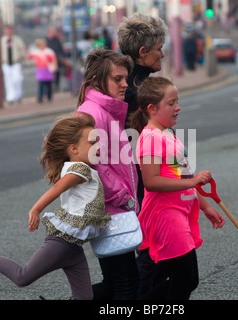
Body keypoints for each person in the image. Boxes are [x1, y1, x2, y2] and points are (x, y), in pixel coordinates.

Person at [0, 112, 111, 300]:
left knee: (84, 298)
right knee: (22, 277)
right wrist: (36, 209)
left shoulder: (84, 168)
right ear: (73, 148)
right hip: (63, 243)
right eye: (93, 143)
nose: (98, 146)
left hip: (74, 247)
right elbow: (57, 188)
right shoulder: (80, 170)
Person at [130, 76, 225, 299]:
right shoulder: (151, 138)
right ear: (152, 109)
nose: (178, 107)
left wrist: (205, 206)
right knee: (185, 280)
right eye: (171, 103)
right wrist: (192, 182)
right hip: (166, 216)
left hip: (179, 213)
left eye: (177, 101)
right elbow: (151, 181)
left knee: (184, 280)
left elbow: (183, 174)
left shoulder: (167, 135)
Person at [77, 49, 140, 300]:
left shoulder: (104, 110)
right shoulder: (92, 113)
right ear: (96, 81)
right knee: (126, 283)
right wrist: (124, 196)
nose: (125, 84)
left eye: (126, 78)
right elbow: (94, 163)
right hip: (111, 207)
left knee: (116, 282)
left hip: (114, 206)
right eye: (118, 79)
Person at [117, 13, 168, 297]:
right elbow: (154, 145)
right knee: (150, 261)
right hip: (145, 182)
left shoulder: (122, 82)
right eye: (159, 48)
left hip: (132, 181)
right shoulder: (140, 91)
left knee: (140, 264)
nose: (163, 53)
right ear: (142, 52)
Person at [27, 39, 57, 103]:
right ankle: (40, 97)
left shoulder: (49, 51)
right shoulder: (36, 52)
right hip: (40, 70)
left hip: (48, 69)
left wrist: (55, 66)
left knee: (48, 84)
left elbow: (54, 59)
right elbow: (29, 56)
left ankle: (49, 96)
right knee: (41, 83)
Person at [1, 25, 25, 104]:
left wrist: (21, 57)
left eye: (9, 30)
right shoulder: (2, 40)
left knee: (17, 79)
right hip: (6, 63)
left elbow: (22, 49)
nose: (8, 32)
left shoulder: (16, 39)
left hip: (16, 62)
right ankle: (10, 97)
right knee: (8, 80)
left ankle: (18, 95)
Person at [46, 27, 66, 91]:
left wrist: (63, 57)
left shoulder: (57, 40)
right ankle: (49, 87)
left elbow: (60, 49)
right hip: (48, 60)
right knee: (48, 74)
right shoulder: (46, 40)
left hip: (56, 59)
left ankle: (56, 86)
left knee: (57, 73)